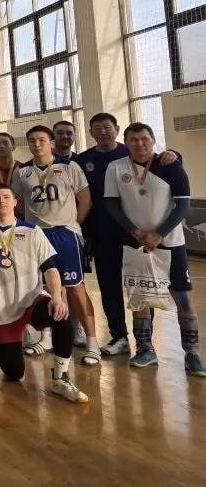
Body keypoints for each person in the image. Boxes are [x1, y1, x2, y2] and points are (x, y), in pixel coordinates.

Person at [0, 186, 88, 403]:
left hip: (32, 300)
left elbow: (50, 267)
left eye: (6, 197)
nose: (1, 201)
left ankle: (60, 379)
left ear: (15, 202)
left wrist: (57, 297)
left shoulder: (32, 231)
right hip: (1, 310)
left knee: (61, 316)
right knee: (14, 372)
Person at [74, 112, 179, 356]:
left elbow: (162, 160)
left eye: (107, 127)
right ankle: (119, 336)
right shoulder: (83, 160)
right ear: (90, 133)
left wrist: (175, 154)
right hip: (102, 235)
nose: (103, 132)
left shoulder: (130, 153)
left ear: (117, 129)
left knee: (142, 286)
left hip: (136, 235)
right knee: (109, 287)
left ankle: (145, 341)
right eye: (97, 128)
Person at [104, 122, 203, 375]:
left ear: (153, 140)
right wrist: (134, 231)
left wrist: (159, 234)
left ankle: (192, 353)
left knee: (183, 297)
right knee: (140, 297)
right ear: (126, 142)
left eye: (144, 139)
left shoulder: (171, 165)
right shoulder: (115, 167)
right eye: (133, 139)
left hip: (170, 243)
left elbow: (183, 205)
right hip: (135, 243)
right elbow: (111, 205)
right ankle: (145, 349)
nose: (139, 144)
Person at [11, 125, 99, 366]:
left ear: (51, 143)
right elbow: (18, 203)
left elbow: (85, 200)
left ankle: (92, 343)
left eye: (41, 139)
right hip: (37, 235)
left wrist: (72, 225)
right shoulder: (22, 171)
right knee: (44, 289)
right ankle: (47, 336)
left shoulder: (69, 167)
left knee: (75, 289)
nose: (36, 144)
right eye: (32, 140)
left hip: (65, 234)